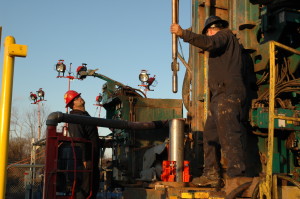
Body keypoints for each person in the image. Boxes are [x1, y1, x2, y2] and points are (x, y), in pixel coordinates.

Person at [171, 16, 250, 187]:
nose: (208, 35)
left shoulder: (225, 35)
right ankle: (212, 174)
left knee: (229, 133)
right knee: (210, 136)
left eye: (208, 32)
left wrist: (183, 33)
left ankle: (237, 176)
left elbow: (210, 43)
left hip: (228, 93)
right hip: (218, 96)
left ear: (213, 29)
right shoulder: (223, 48)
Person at [64, 90, 100, 198]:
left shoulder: (84, 116)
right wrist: (85, 159)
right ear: (72, 104)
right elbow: (79, 139)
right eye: (76, 98)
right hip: (84, 163)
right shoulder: (75, 117)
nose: (79, 98)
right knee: (84, 191)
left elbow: (90, 136)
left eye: (79, 96)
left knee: (92, 189)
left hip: (92, 159)